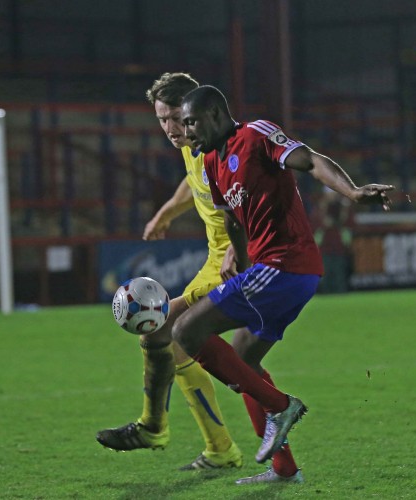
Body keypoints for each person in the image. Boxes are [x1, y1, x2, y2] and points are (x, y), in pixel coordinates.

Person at [173, 85, 394, 484]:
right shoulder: (209, 161)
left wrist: (353, 192)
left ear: (215, 115)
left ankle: (281, 405)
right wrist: (238, 259)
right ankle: (285, 469)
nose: (185, 131)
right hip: (278, 271)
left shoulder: (255, 134)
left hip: (286, 264)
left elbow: (310, 160)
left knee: (186, 330)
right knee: (243, 360)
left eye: (190, 121)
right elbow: (233, 220)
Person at [96, 73, 244, 471]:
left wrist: (235, 246)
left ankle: (162, 430)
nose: (170, 129)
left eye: (176, 118)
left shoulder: (222, 149)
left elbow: (252, 201)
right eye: (162, 120)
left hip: (240, 266)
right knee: (164, 335)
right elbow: (191, 182)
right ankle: (206, 445)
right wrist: (167, 211)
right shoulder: (191, 146)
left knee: (167, 332)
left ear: (195, 112)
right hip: (214, 263)